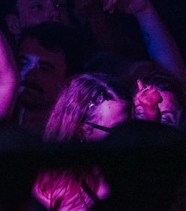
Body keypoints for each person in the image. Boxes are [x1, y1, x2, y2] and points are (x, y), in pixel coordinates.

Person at [33, 74, 130, 211]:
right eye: (117, 130)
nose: (127, 136)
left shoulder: (131, 175)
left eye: (129, 126)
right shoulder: (51, 189)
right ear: (82, 129)